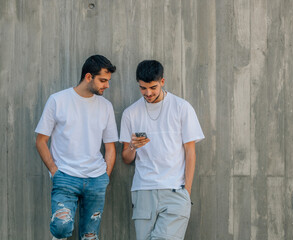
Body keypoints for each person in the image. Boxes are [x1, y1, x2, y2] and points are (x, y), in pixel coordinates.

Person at [35, 55, 118, 240]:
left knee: (90, 236)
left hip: (96, 179)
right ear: (88, 76)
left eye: (108, 81)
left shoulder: (106, 106)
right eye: (103, 80)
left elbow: (110, 147)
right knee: (61, 228)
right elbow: (41, 140)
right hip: (65, 177)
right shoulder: (58, 100)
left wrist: (105, 176)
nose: (107, 85)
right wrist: (54, 171)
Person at [119, 60, 205, 240]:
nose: (148, 93)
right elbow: (126, 158)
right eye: (143, 88)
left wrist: (186, 191)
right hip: (143, 191)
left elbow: (190, 152)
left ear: (162, 82)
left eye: (153, 87)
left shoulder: (182, 108)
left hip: (175, 190)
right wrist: (133, 146)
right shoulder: (130, 113)